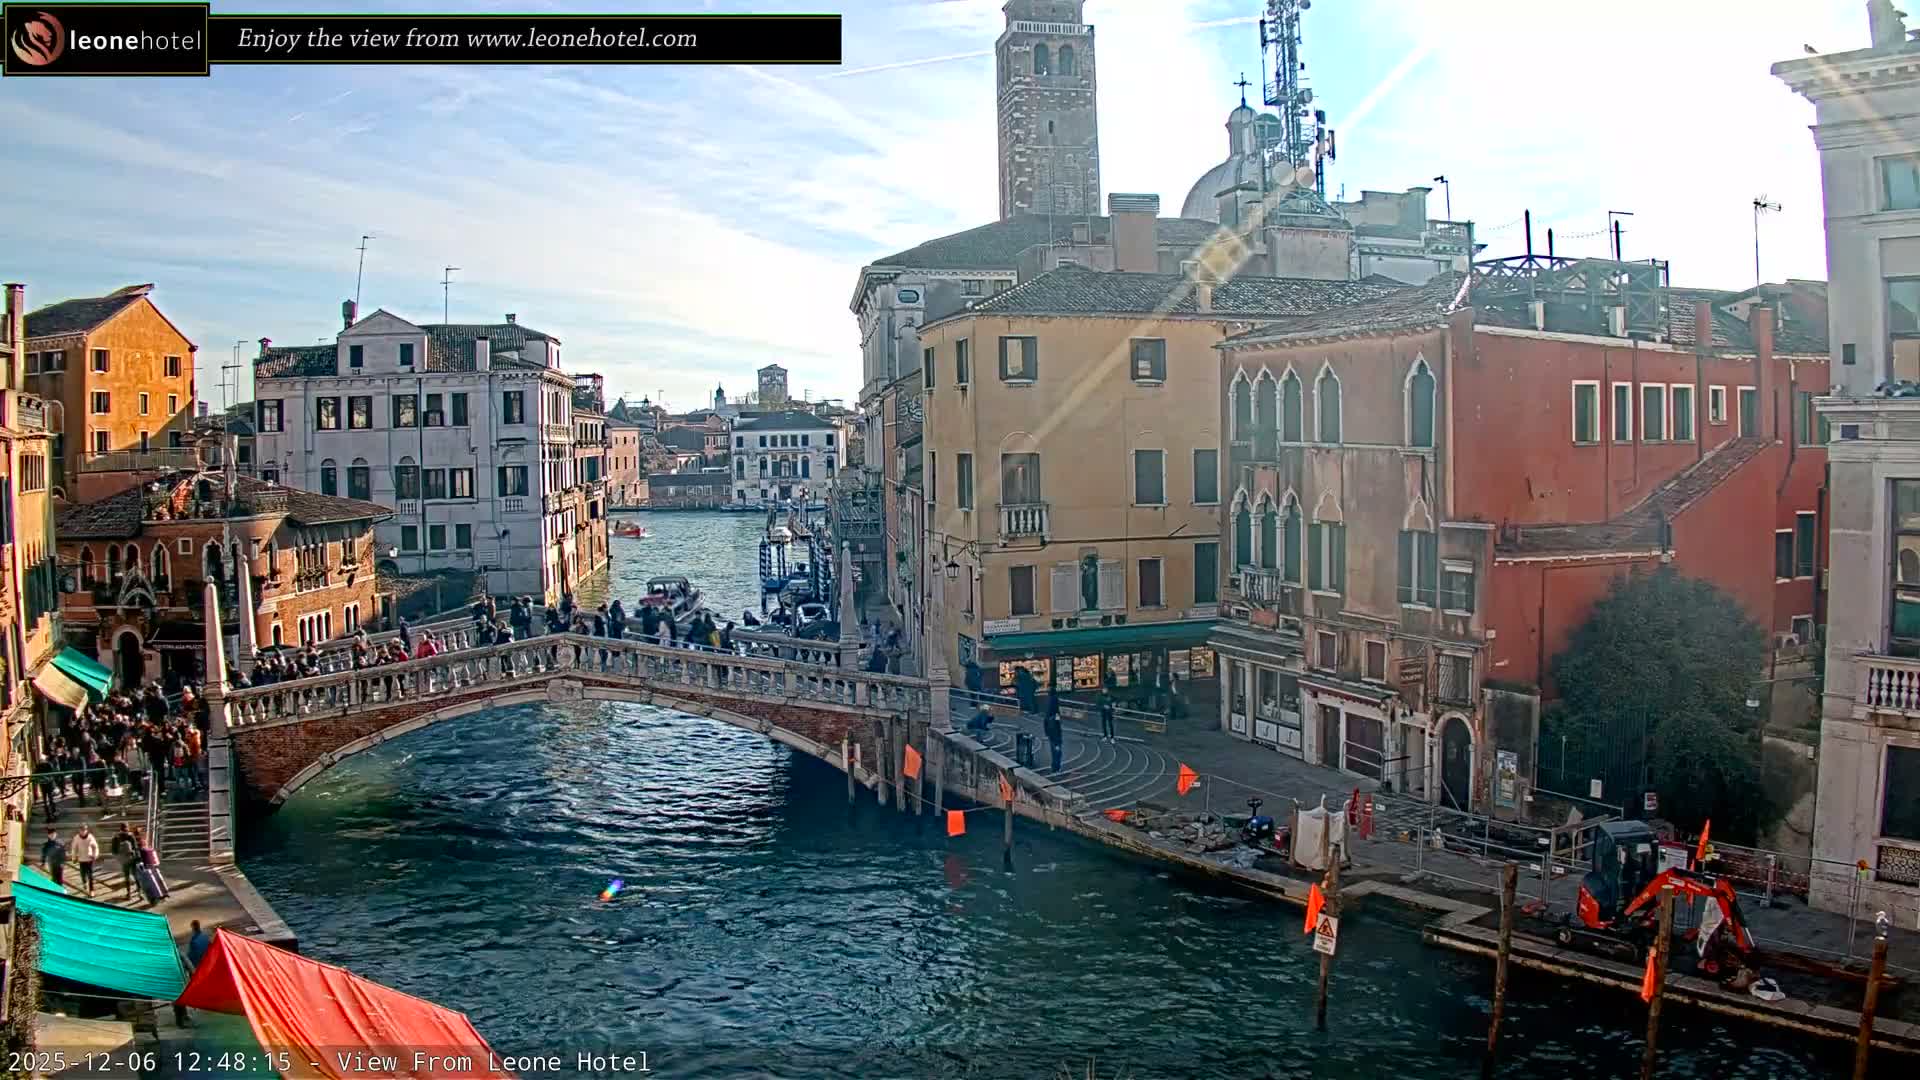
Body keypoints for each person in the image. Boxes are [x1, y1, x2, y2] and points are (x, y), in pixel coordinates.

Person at [113, 823, 139, 900]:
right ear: (127, 828)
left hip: (124, 860)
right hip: (132, 858)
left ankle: (129, 894)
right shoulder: (131, 836)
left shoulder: (116, 837)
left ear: (120, 829)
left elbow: (114, 851)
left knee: (126, 876)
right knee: (135, 875)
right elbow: (135, 848)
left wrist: (119, 856)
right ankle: (139, 891)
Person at [72, 824, 99, 895]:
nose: (83, 832)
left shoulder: (90, 837)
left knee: (90, 875)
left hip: (89, 859)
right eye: (82, 830)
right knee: (82, 874)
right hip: (81, 859)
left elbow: (95, 847)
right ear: (79, 830)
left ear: (87, 830)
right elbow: (74, 849)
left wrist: (95, 855)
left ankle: (91, 890)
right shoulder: (77, 838)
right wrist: (74, 857)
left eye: (84, 830)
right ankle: (84, 882)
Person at [1044, 690, 1064, 773]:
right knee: (1057, 752)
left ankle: (1054, 767)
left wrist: (1047, 733)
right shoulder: (1055, 716)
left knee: (1054, 752)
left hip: (1052, 736)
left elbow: (1045, 722)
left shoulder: (1048, 714)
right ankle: (1056, 767)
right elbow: (1057, 727)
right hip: (1056, 737)